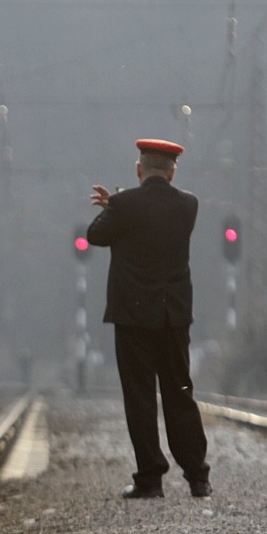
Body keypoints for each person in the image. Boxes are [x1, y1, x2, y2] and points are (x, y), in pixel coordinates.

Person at [86, 138, 211, 499]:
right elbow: (154, 215)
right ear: (172, 171)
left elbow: (95, 235)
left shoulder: (123, 205)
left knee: (139, 396)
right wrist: (121, 206)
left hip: (134, 317)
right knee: (180, 392)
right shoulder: (189, 205)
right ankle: (198, 477)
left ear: (139, 169)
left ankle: (150, 479)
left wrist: (112, 205)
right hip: (173, 316)